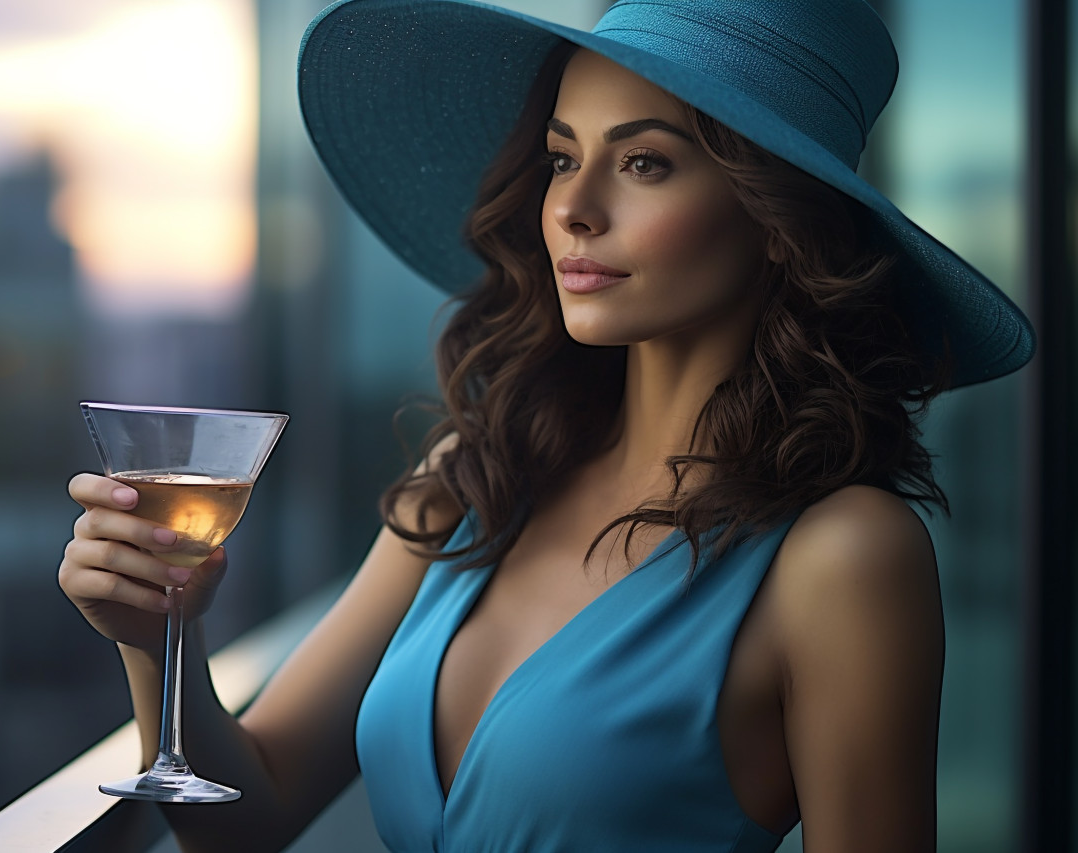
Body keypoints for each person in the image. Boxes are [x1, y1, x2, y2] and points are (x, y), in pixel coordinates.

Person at [59, 1, 1035, 850]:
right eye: (561, 158)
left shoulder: (842, 555)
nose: (571, 207)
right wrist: (155, 638)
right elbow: (248, 816)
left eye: (644, 163)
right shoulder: (475, 478)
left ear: (778, 219)